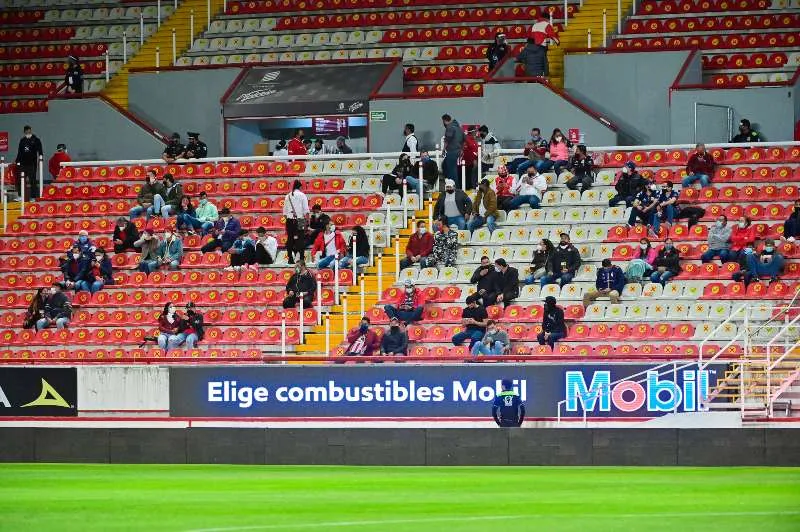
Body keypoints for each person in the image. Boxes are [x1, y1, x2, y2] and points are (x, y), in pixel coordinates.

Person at [283, 179, 310, 264]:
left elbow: (284, 212)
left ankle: (290, 258)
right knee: (300, 239)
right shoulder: (302, 195)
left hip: (289, 220)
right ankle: (301, 258)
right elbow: (306, 210)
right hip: (300, 219)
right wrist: (307, 221)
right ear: (300, 186)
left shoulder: (287, 196)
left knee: (290, 239)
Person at [15, 125, 43, 200]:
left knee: (32, 180)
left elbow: (40, 151)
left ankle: (33, 197)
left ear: (31, 131)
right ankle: (20, 196)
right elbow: (19, 152)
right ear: (24, 132)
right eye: (26, 131)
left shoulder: (36, 140)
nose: (28, 132)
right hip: (23, 164)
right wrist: (17, 161)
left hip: (32, 164)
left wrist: (41, 158)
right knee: (20, 180)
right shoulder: (22, 140)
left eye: (29, 131)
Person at [441, 114, 464, 184]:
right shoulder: (459, 127)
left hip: (452, 151)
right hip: (458, 151)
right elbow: (463, 139)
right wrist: (461, 149)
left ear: (444, 121)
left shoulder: (449, 127)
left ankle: (453, 186)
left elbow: (447, 139)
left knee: (451, 171)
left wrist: (443, 149)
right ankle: (454, 185)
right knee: (447, 166)